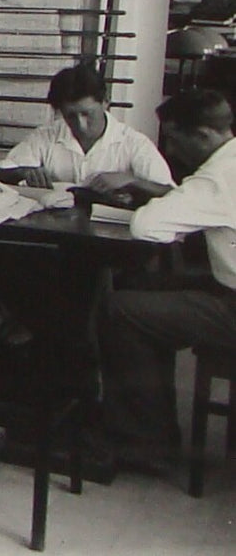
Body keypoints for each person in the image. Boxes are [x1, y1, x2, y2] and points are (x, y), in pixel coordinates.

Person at [94, 88, 236, 473]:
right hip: (226, 286)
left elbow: (147, 225)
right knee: (141, 289)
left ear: (204, 136)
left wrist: (155, 199)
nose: (170, 147)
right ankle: (151, 423)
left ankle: (144, 441)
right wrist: (155, 189)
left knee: (119, 308)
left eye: (175, 137)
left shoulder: (216, 179)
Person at [0, 63, 174, 196]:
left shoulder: (134, 143)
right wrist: (24, 172)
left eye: (87, 114)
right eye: (70, 115)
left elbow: (169, 191)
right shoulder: (46, 136)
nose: (80, 124)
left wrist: (130, 181)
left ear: (105, 103)